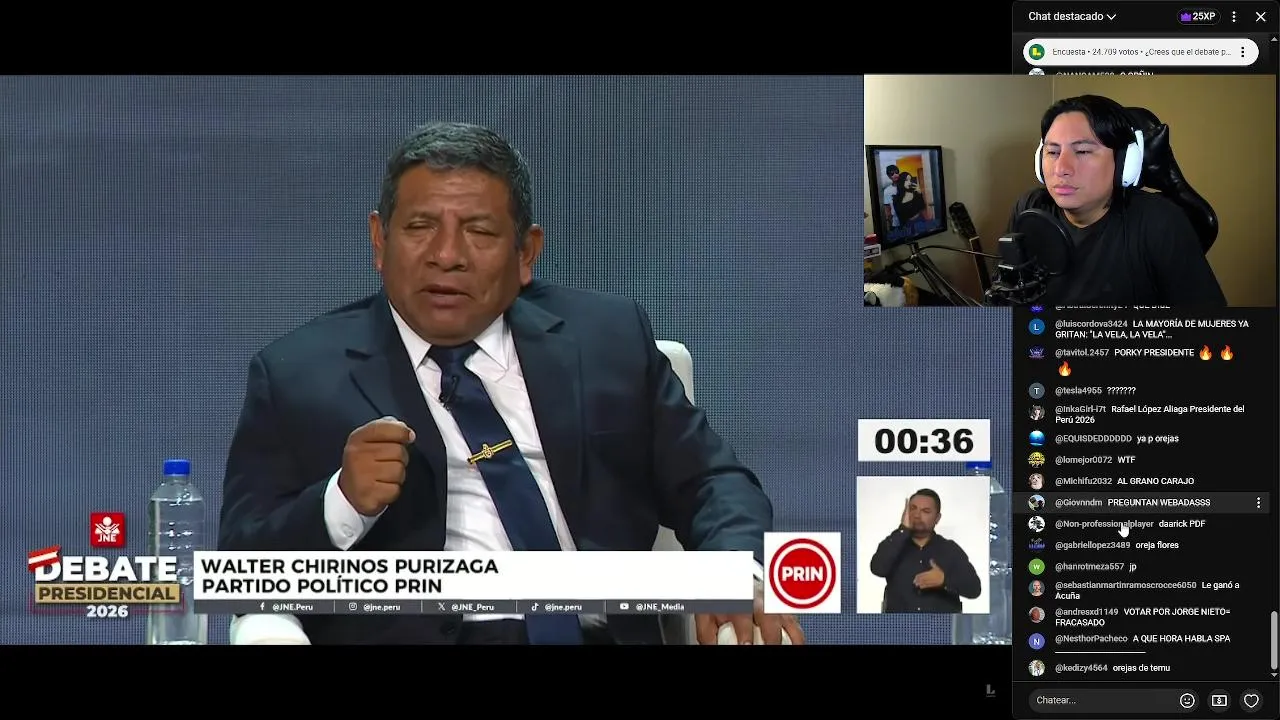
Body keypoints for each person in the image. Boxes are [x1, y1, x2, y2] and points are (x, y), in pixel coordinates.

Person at [217, 121, 799, 646]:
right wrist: (340, 501)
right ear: (379, 240)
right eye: (419, 227)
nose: (447, 255)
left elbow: (713, 481)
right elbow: (243, 568)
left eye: (478, 232)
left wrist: (739, 573)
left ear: (526, 254)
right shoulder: (297, 374)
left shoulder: (608, 338)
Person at [1008, 94, 1226, 307]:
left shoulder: (1159, 222)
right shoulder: (1031, 208)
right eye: (1053, 152)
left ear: (1124, 162)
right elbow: (1009, 293)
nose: (1061, 169)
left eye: (1082, 151)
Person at [868, 489, 982, 613]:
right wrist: (903, 529)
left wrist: (945, 580)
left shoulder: (950, 549)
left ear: (937, 518)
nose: (917, 515)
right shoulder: (894, 544)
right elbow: (877, 568)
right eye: (913, 508)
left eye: (925, 511)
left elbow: (974, 589)